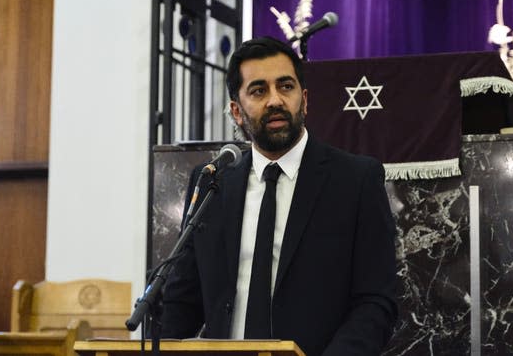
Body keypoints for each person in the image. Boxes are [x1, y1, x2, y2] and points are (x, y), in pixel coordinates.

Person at [161, 37, 397, 355]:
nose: (275, 100)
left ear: (305, 99)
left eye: (285, 86)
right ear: (236, 111)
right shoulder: (213, 184)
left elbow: (375, 302)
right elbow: (183, 301)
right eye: (258, 91)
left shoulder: (355, 181)